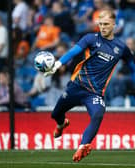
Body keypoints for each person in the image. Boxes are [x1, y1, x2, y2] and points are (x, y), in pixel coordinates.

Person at [44, 10, 135, 162]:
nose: (103, 27)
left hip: (94, 93)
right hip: (76, 86)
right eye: (100, 24)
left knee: (98, 114)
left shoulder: (121, 48)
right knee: (55, 114)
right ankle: (61, 124)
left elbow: (132, 65)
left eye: (106, 24)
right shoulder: (90, 39)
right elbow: (73, 51)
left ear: (114, 24)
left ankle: (83, 146)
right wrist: (58, 63)